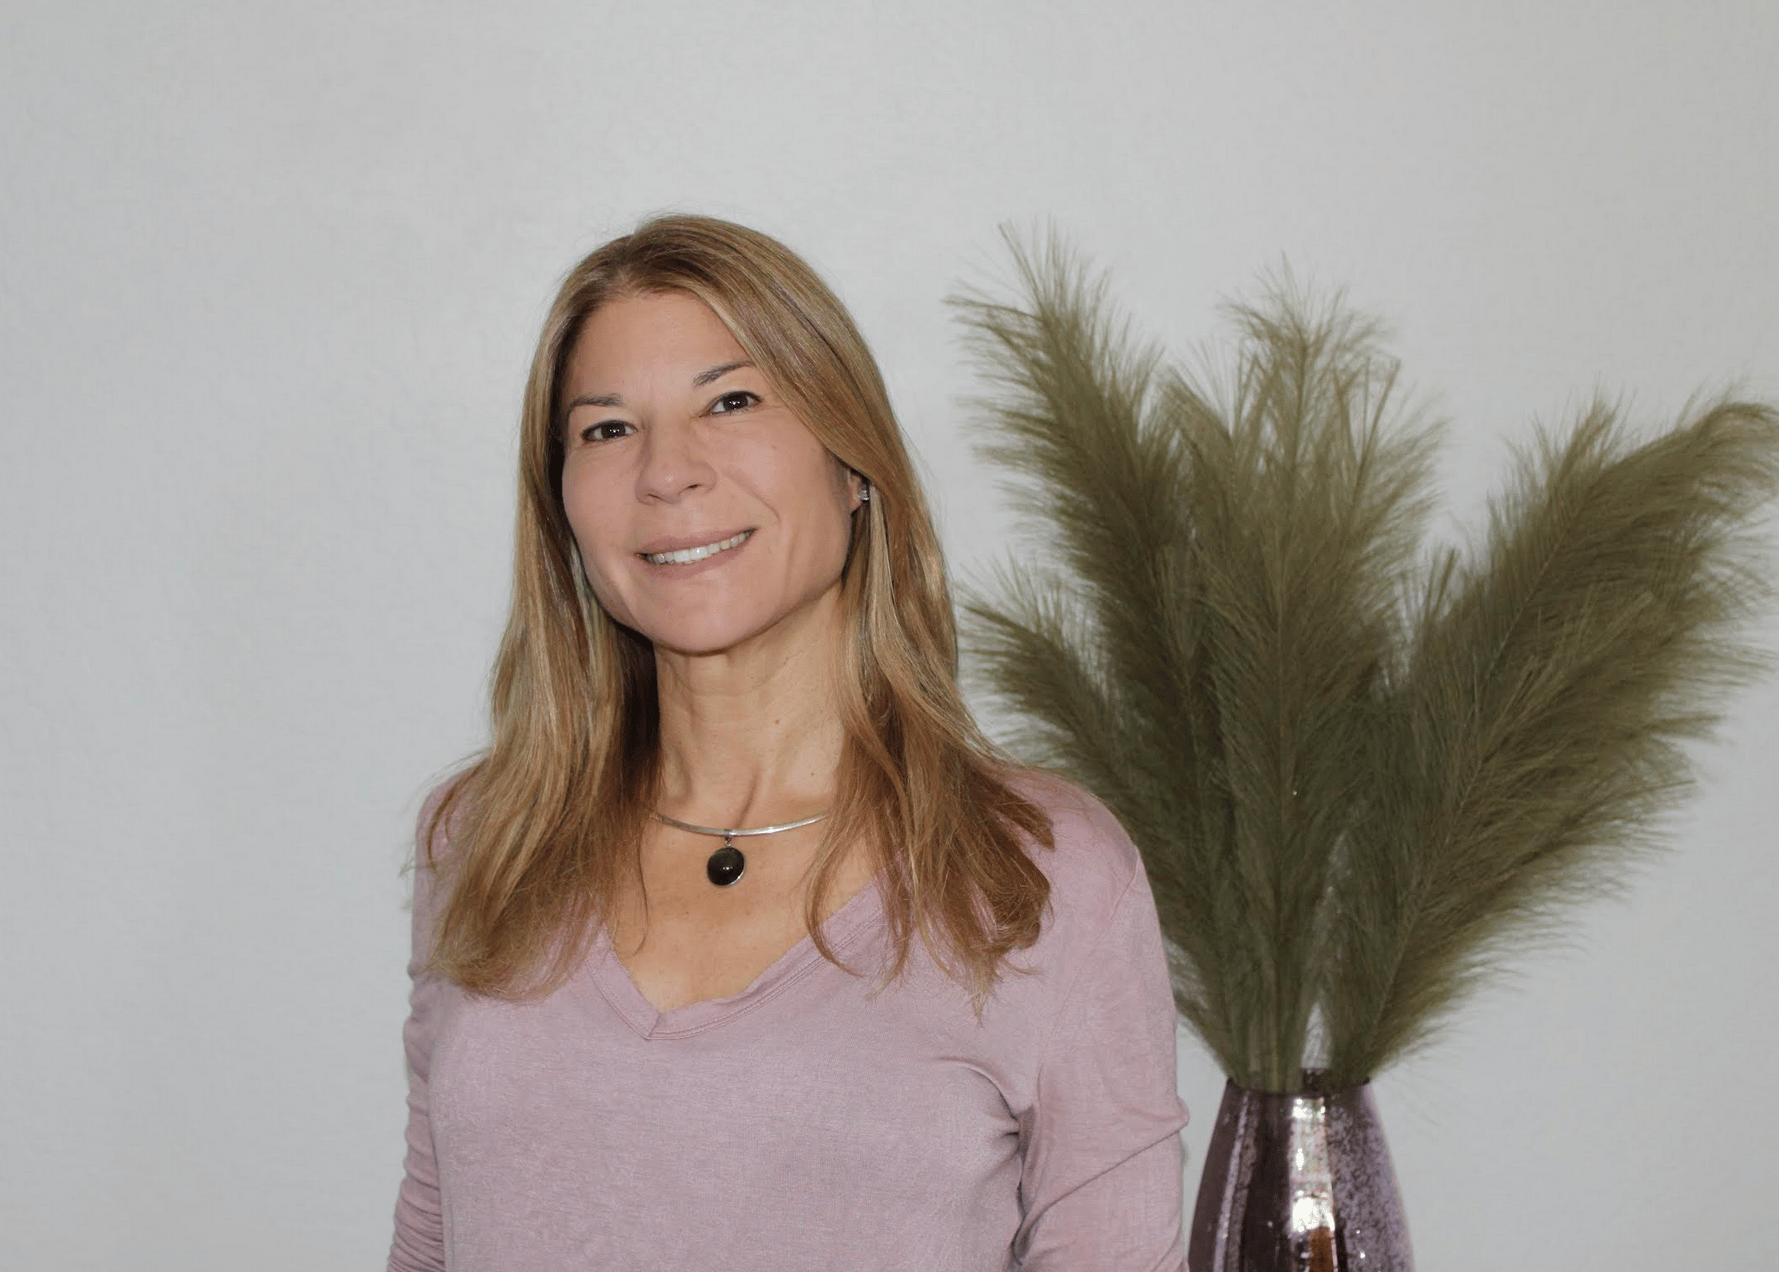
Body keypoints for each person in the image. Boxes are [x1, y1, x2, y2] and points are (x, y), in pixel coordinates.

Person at [387, 214, 1189, 1271]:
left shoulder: (1041, 872)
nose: (668, 473)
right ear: (563, 509)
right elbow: (429, 1245)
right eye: (607, 428)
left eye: (732, 401)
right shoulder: (487, 839)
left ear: (853, 465)